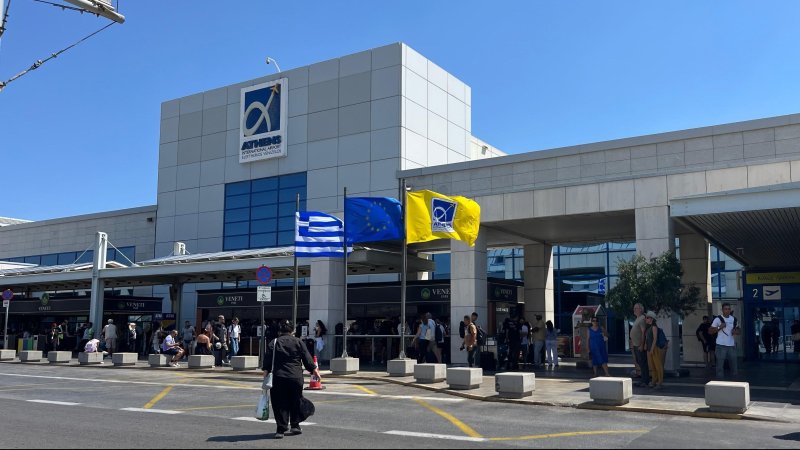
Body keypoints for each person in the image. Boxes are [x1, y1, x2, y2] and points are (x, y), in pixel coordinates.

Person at [263, 320, 320, 439]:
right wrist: (314, 371)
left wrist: (265, 374)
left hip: (278, 377)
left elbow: (268, 361)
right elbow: (307, 359)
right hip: (296, 377)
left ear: (279, 331)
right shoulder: (298, 342)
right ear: (292, 331)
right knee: (296, 400)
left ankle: (281, 429)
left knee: (279, 403)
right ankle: (295, 425)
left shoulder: (274, 342)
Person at [710, 303, 740, 379]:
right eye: (725, 309)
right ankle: (720, 380)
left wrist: (736, 331)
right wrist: (720, 327)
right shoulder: (718, 319)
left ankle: (735, 380)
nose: (727, 310)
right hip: (721, 345)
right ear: (722, 310)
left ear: (730, 310)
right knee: (720, 364)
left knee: (734, 364)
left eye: (728, 309)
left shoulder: (734, 319)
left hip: (731, 345)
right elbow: (710, 331)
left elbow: (739, 330)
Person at [630, 303, 649, 387]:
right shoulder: (637, 318)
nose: (634, 310)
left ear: (641, 309)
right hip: (635, 344)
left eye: (636, 308)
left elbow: (643, 332)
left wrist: (642, 344)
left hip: (639, 345)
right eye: (634, 308)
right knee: (639, 362)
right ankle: (643, 380)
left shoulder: (642, 319)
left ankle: (645, 381)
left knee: (642, 362)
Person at [644, 311, 664, 389]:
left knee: (657, 365)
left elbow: (655, 339)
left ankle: (660, 381)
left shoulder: (654, 327)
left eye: (647, 317)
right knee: (652, 366)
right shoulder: (649, 327)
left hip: (654, 348)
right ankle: (654, 380)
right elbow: (647, 338)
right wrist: (646, 345)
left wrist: (652, 348)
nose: (646, 319)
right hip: (649, 348)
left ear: (651, 319)